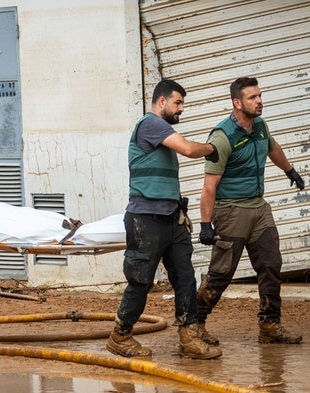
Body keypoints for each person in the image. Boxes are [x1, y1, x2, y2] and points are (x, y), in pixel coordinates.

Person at [107, 79, 222, 360]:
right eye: (177, 103)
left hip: (172, 218)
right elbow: (188, 149)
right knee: (140, 281)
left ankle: (189, 336)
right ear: (161, 102)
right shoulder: (151, 125)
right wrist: (212, 147)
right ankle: (120, 336)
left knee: (185, 278)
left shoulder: (162, 133)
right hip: (145, 219)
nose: (180, 109)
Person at [197, 77, 304, 345]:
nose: (259, 101)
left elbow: (273, 148)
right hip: (231, 210)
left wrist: (289, 170)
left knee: (270, 265)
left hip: (259, 208)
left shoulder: (260, 126)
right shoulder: (222, 137)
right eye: (252, 97)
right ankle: (193, 324)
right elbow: (209, 186)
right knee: (221, 274)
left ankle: (270, 325)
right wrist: (205, 224)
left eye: (259, 96)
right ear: (237, 102)